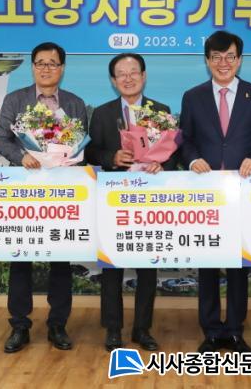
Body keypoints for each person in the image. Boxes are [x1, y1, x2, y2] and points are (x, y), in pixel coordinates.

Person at [0, 41, 88, 353]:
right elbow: (0, 140)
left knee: (61, 259)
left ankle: (58, 324)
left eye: (52, 63)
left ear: (62, 68)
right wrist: (22, 156)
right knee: (21, 258)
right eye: (40, 63)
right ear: (33, 67)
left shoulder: (74, 103)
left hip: (61, 192)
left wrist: (68, 162)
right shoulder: (15, 99)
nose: (46, 68)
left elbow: (80, 146)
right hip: (26, 190)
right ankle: (19, 325)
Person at [179, 30, 251, 353]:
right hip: (206, 193)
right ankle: (210, 330)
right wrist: (193, 160)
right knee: (207, 262)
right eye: (216, 57)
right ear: (207, 61)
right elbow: (184, 139)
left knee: (237, 266)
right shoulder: (193, 96)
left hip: (242, 192)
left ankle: (234, 330)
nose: (223, 63)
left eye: (230, 56)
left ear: (240, 60)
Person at [86, 53, 177, 351]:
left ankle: (142, 329)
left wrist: (162, 164)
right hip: (114, 199)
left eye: (133, 72)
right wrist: (111, 157)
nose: (128, 78)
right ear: (113, 81)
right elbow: (90, 152)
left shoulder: (161, 111)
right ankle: (113, 329)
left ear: (144, 75)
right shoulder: (102, 113)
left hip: (149, 200)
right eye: (121, 74)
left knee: (148, 267)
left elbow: (174, 151)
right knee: (112, 267)